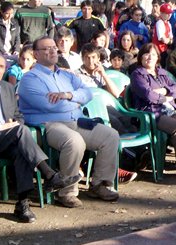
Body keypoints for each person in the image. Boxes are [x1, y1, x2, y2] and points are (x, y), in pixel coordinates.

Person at [0, 52, 81, 222]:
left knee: (22, 149)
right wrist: (2, 127)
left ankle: (22, 204)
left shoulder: (7, 87)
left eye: (1, 66)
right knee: (21, 132)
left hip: (11, 139)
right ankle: (49, 175)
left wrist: (14, 123)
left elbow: (18, 116)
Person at [18, 36, 121, 207]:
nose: (53, 51)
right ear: (36, 54)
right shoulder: (30, 79)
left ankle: (100, 184)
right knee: (74, 141)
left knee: (110, 135)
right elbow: (49, 106)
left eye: (54, 47)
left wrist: (69, 95)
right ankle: (66, 191)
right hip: (48, 124)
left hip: (76, 120)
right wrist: (76, 101)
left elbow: (88, 94)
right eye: (46, 49)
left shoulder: (66, 75)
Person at [126, 43, 176, 180]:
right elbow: (148, 95)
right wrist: (165, 98)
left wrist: (164, 91)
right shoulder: (137, 74)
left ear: (157, 57)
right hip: (152, 114)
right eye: (146, 54)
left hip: (169, 110)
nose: (150, 57)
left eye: (153, 54)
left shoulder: (161, 73)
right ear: (141, 57)